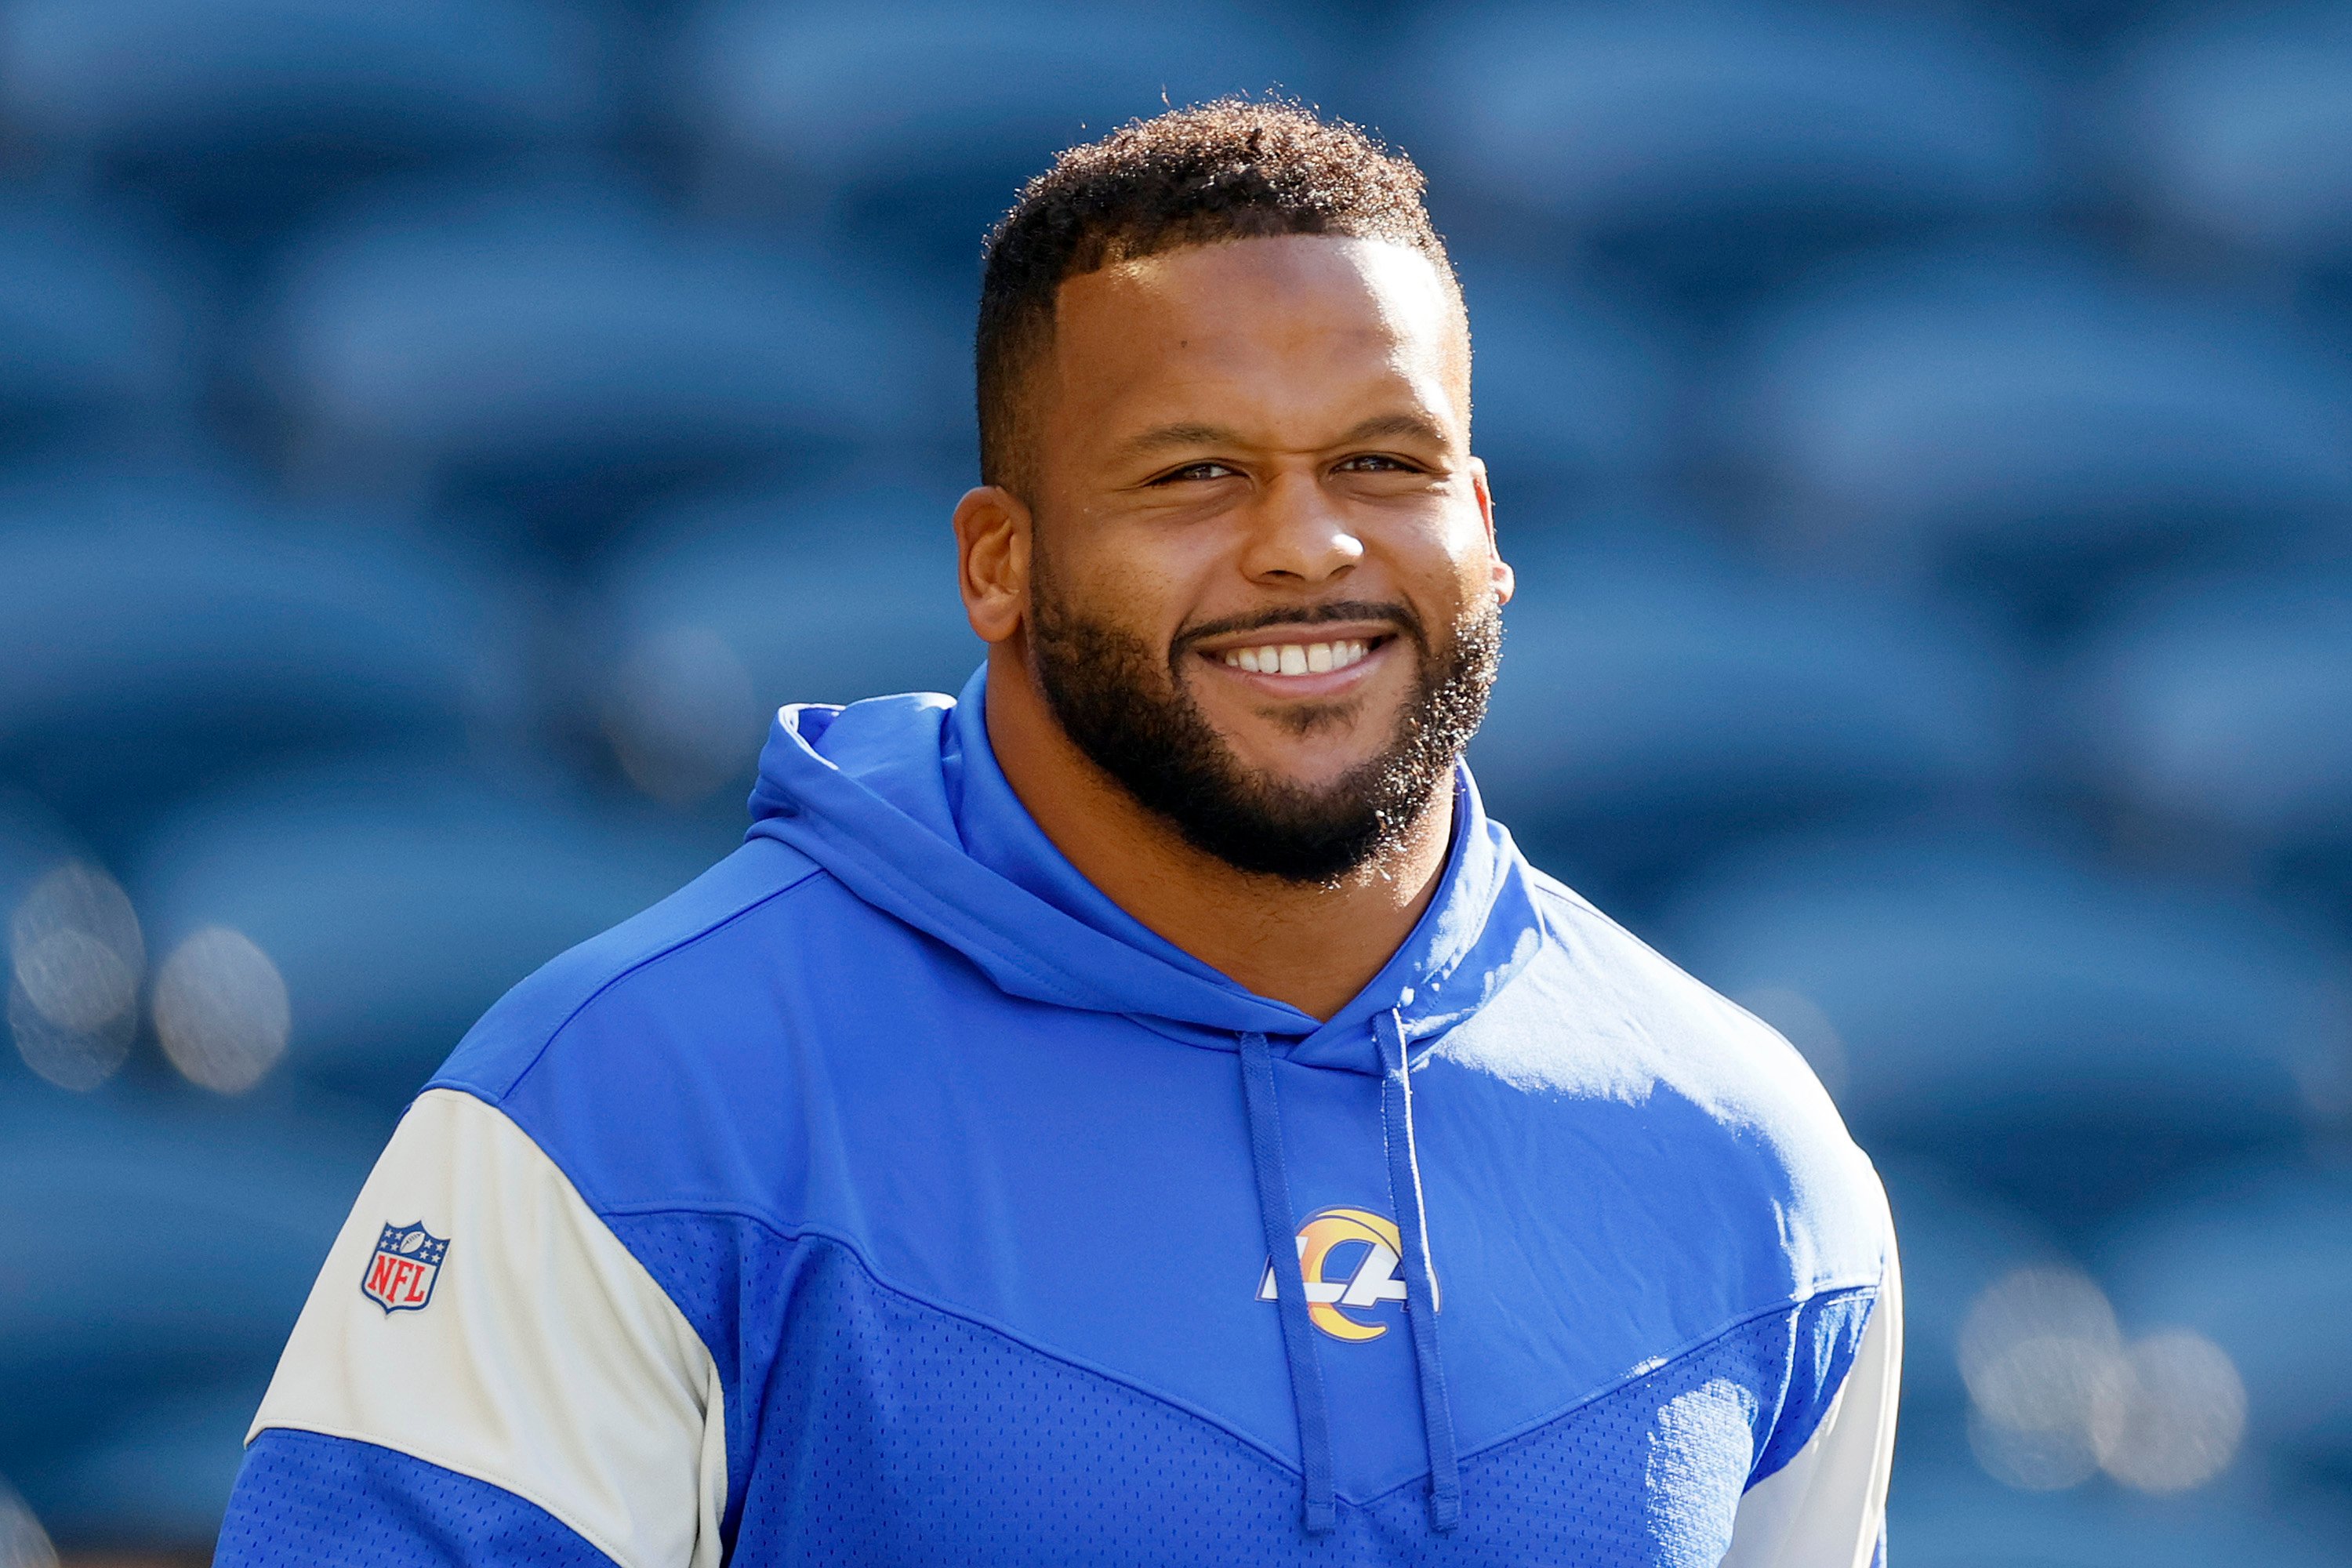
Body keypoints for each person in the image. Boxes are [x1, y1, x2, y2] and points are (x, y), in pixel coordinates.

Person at [215, 100, 1898, 1566]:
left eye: (1383, 461)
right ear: (996, 562)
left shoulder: (1754, 1168)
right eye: (1194, 477)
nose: (1308, 548)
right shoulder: (627, 1107)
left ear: (1482, 521)